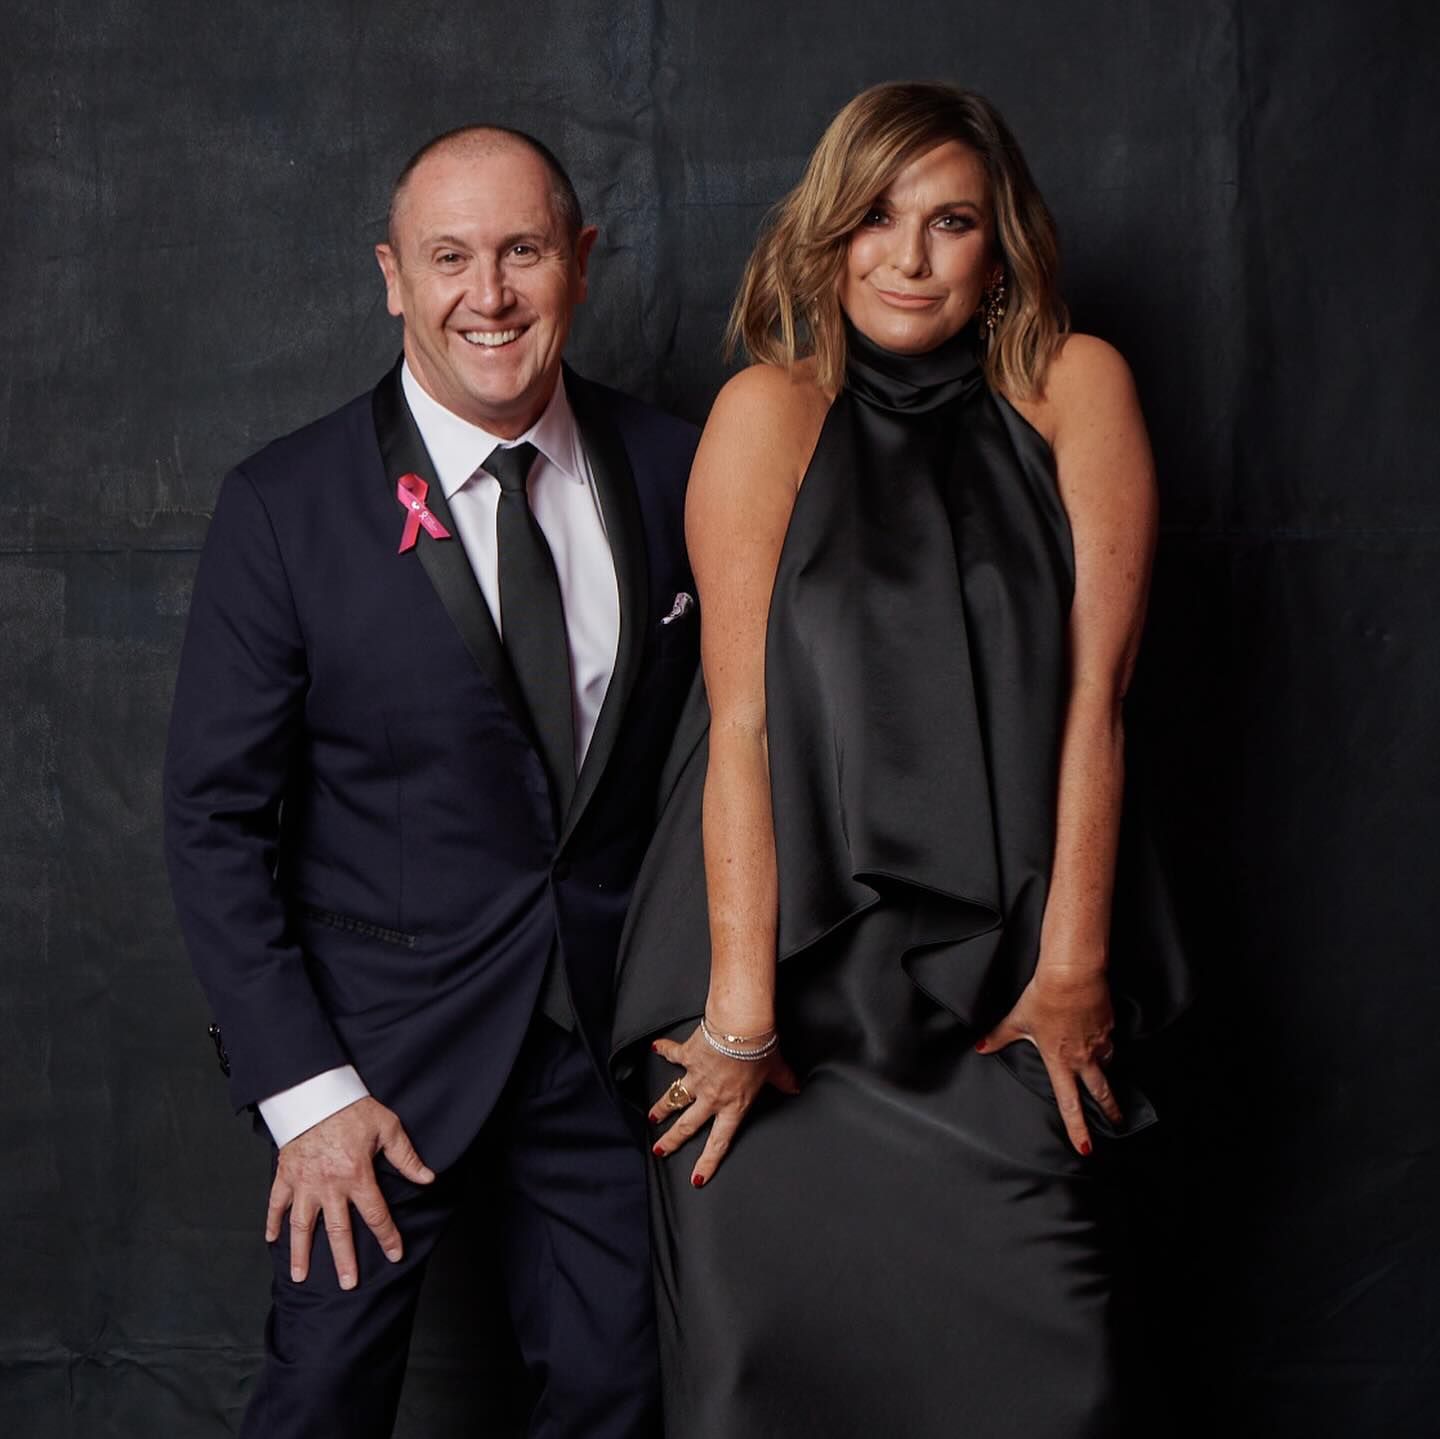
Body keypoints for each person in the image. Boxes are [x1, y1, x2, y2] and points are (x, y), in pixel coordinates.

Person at [612, 83, 1189, 1436]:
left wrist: (1073, 971)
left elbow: (1099, 702)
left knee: (1056, 1387)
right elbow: (738, 724)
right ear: (827, 230)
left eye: (951, 222)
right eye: (876, 217)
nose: (909, 258)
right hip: (782, 1001)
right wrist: (739, 1016)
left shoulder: (1076, 388)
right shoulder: (767, 411)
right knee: (762, 1393)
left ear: (1004, 244)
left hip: (1009, 994)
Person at [164, 125, 699, 1439]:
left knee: (622, 1393)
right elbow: (214, 823)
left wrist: (719, 999)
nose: (489, 294)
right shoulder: (285, 505)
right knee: (324, 1398)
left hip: (608, 1049)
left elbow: (732, 755)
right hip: (374, 1063)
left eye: (523, 252)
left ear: (580, 263)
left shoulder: (680, 469)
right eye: (449, 258)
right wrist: (308, 1096)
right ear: (392, 277)